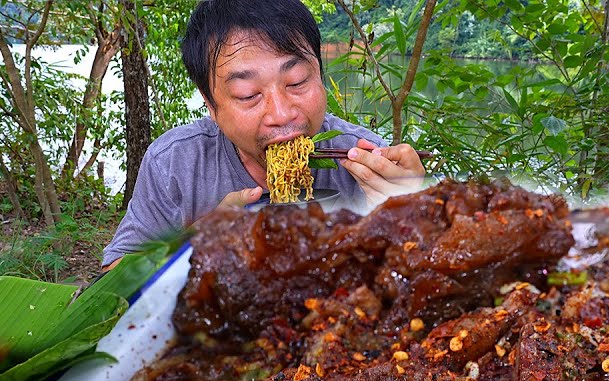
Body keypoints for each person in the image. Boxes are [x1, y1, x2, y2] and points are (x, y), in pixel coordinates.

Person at [101, 0, 425, 269]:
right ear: (210, 104)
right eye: (247, 94)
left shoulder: (368, 161)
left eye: (297, 82)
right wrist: (199, 241)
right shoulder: (175, 163)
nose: (282, 113)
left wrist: (411, 214)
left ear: (320, 76)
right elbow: (112, 278)